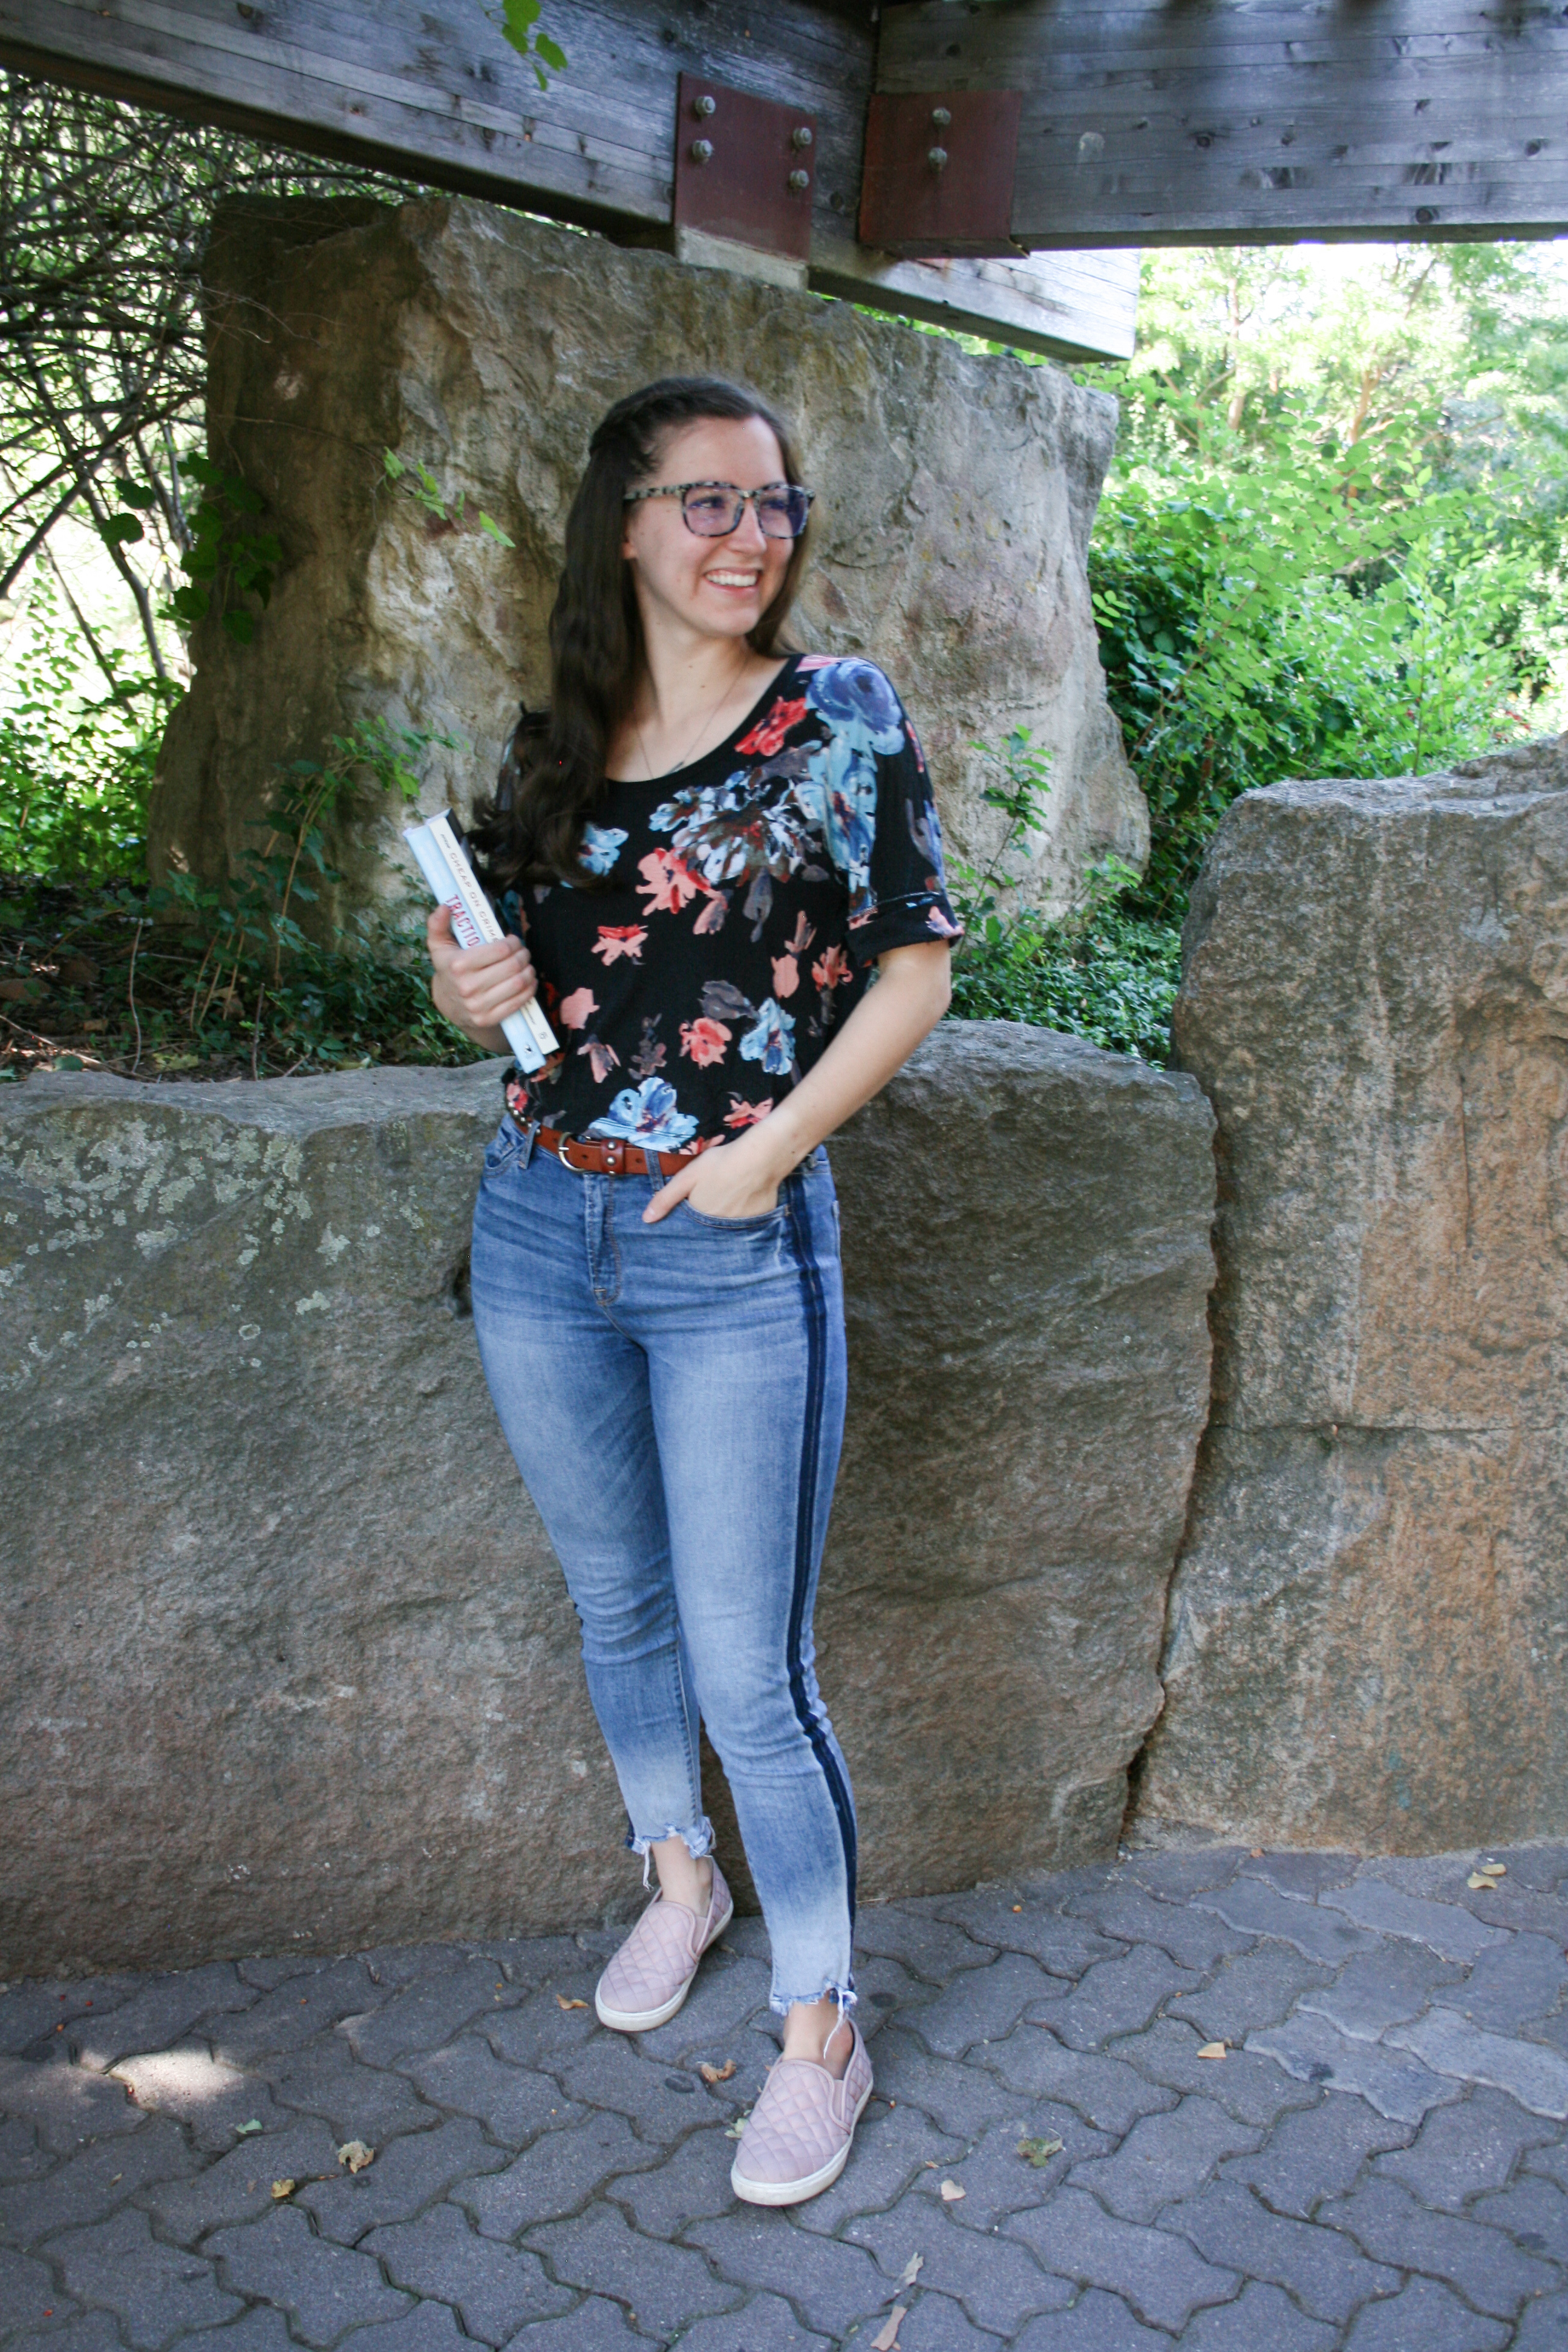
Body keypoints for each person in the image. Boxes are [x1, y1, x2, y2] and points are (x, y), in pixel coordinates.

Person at [426, 375, 959, 2206]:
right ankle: (679, 1874)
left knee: (754, 1670)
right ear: (629, 524)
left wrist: (767, 1154)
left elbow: (914, 970)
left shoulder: (836, 714)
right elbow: (510, 990)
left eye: (774, 503)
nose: (752, 535)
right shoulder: (557, 740)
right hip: (535, 1226)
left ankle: (822, 2029)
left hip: (732, 1244)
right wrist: (464, 985)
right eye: (710, 501)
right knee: (616, 1603)